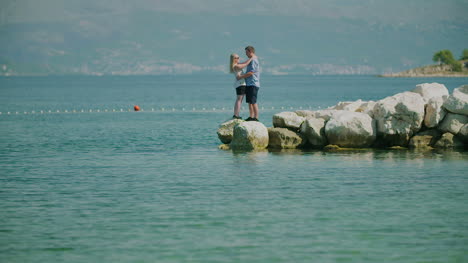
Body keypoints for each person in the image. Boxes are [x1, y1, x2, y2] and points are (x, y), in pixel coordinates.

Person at [237, 46, 260, 121]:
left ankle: (256, 117)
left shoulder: (253, 60)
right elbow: (245, 64)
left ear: (250, 51)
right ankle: (251, 116)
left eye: (246, 52)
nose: (246, 54)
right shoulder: (251, 59)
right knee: (250, 102)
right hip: (249, 83)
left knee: (253, 102)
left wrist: (241, 76)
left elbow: (251, 72)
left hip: (253, 83)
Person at [229, 53, 252, 119]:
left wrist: (249, 59)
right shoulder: (235, 66)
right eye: (236, 58)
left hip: (240, 84)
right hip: (240, 84)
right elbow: (243, 66)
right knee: (239, 100)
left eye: (238, 57)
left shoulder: (236, 65)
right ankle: (236, 115)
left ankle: (236, 114)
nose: (237, 59)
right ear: (233, 59)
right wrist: (250, 59)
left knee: (239, 100)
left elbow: (244, 63)